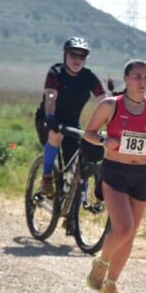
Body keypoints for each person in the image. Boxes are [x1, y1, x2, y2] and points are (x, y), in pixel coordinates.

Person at [83, 60, 146, 293]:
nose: (141, 82)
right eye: (136, 77)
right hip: (115, 172)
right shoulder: (110, 105)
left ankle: (111, 284)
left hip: (142, 174)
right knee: (122, 228)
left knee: (130, 235)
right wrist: (103, 139)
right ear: (126, 79)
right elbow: (88, 133)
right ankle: (101, 264)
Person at [35, 37, 106, 195]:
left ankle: (71, 210)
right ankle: (47, 177)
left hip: (72, 124)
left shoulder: (89, 77)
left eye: (82, 56)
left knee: (77, 163)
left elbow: (104, 100)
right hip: (48, 119)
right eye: (73, 55)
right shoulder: (56, 72)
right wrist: (50, 117)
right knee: (55, 135)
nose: (77, 60)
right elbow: (51, 98)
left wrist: (115, 119)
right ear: (65, 55)